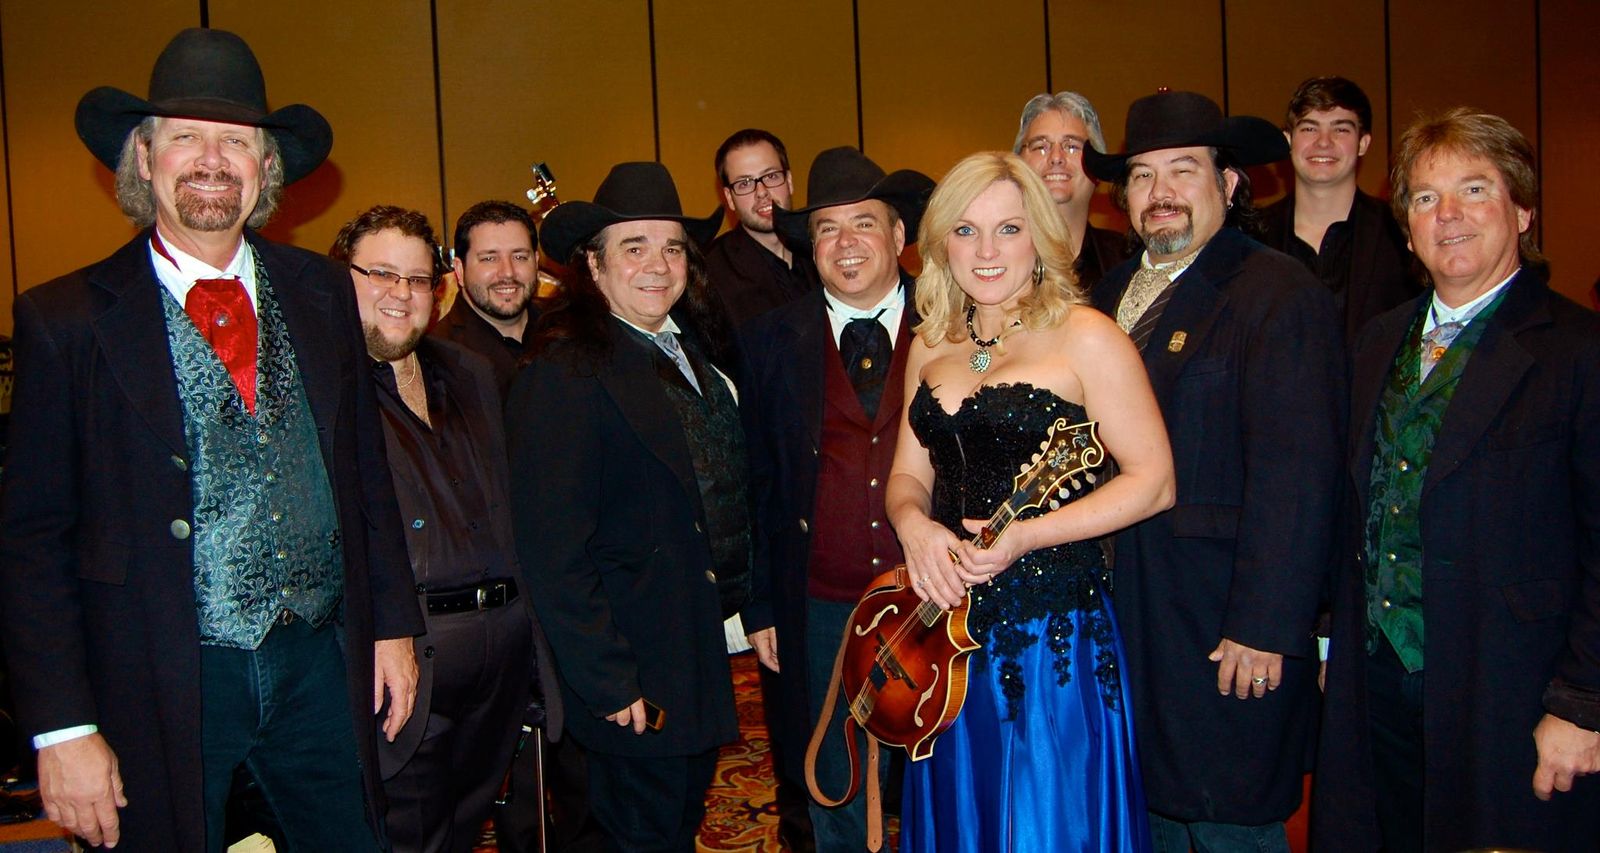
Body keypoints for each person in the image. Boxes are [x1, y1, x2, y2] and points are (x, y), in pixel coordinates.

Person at [0, 28, 422, 851]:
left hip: (318, 662)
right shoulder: (65, 321)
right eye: (186, 136)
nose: (211, 160)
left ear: (266, 167)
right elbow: (31, 541)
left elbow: (364, 473)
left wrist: (393, 625)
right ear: (143, 156)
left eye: (235, 141)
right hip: (160, 676)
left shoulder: (323, 291)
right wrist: (63, 726)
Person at [1314, 108, 1600, 852]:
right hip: (1376, 683)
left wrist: (1583, 702)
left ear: (1523, 212)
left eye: (1475, 189)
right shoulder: (1376, 341)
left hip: (1509, 690)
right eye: (1425, 197)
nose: (1449, 214)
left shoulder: (1578, 351)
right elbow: (1354, 506)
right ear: (1408, 231)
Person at [885, 151, 1175, 851]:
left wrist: (1027, 535)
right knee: (965, 818)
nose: (986, 251)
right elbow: (907, 477)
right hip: (945, 637)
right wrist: (913, 526)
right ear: (941, 242)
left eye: (1008, 229)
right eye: (966, 230)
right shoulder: (930, 343)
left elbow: (1155, 481)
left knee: (1046, 823)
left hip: (1052, 637)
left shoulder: (1087, 336)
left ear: (1040, 237)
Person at [1083, 90, 1344, 851]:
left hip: (1223, 622)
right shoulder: (1102, 300)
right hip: (1127, 615)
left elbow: (1300, 476)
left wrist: (1265, 624)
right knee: (1147, 815)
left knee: (1231, 821)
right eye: (1142, 175)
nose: (1160, 192)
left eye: (1183, 170)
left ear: (1229, 184)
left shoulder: (1276, 292)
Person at [507, 162, 761, 852]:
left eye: (672, 247)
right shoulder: (564, 369)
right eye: (634, 247)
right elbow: (550, 550)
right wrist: (608, 678)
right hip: (629, 673)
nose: (658, 264)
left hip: (694, 657)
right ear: (593, 264)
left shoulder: (693, 352)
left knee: (674, 828)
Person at [329, 206, 563, 853]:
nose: (401, 293)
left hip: (500, 657)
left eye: (417, 279)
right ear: (341, 279)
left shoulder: (469, 371)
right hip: (405, 660)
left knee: (465, 831)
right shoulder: (323, 385)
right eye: (381, 274)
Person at [744, 146, 933, 851]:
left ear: (899, 235)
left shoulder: (953, 325)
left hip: (935, 600)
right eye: (827, 228)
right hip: (819, 603)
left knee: (936, 779)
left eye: (864, 223)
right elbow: (758, 481)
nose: (845, 242)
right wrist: (762, 604)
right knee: (833, 778)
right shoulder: (768, 341)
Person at [1260, 76, 1418, 343]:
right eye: (1309, 128)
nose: (1323, 142)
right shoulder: (1251, 235)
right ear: (1288, 140)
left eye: (1341, 129)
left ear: (1363, 143)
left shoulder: (1402, 232)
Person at [1014, 92, 1131, 289]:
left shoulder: (1129, 262)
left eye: (1072, 146)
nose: (1056, 157)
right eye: (1040, 146)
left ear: (1096, 168)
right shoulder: (991, 258)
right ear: (1017, 165)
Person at [706, 129, 818, 328]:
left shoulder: (823, 248)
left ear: (789, 182)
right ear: (729, 198)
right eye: (744, 183)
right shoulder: (711, 271)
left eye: (771, 176)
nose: (761, 192)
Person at [431, 201, 541, 397]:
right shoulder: (438, 360)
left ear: (536, 262)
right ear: (459, 270)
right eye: (489, 259)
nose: (508, 272)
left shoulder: (568, 328)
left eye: (519, 257)